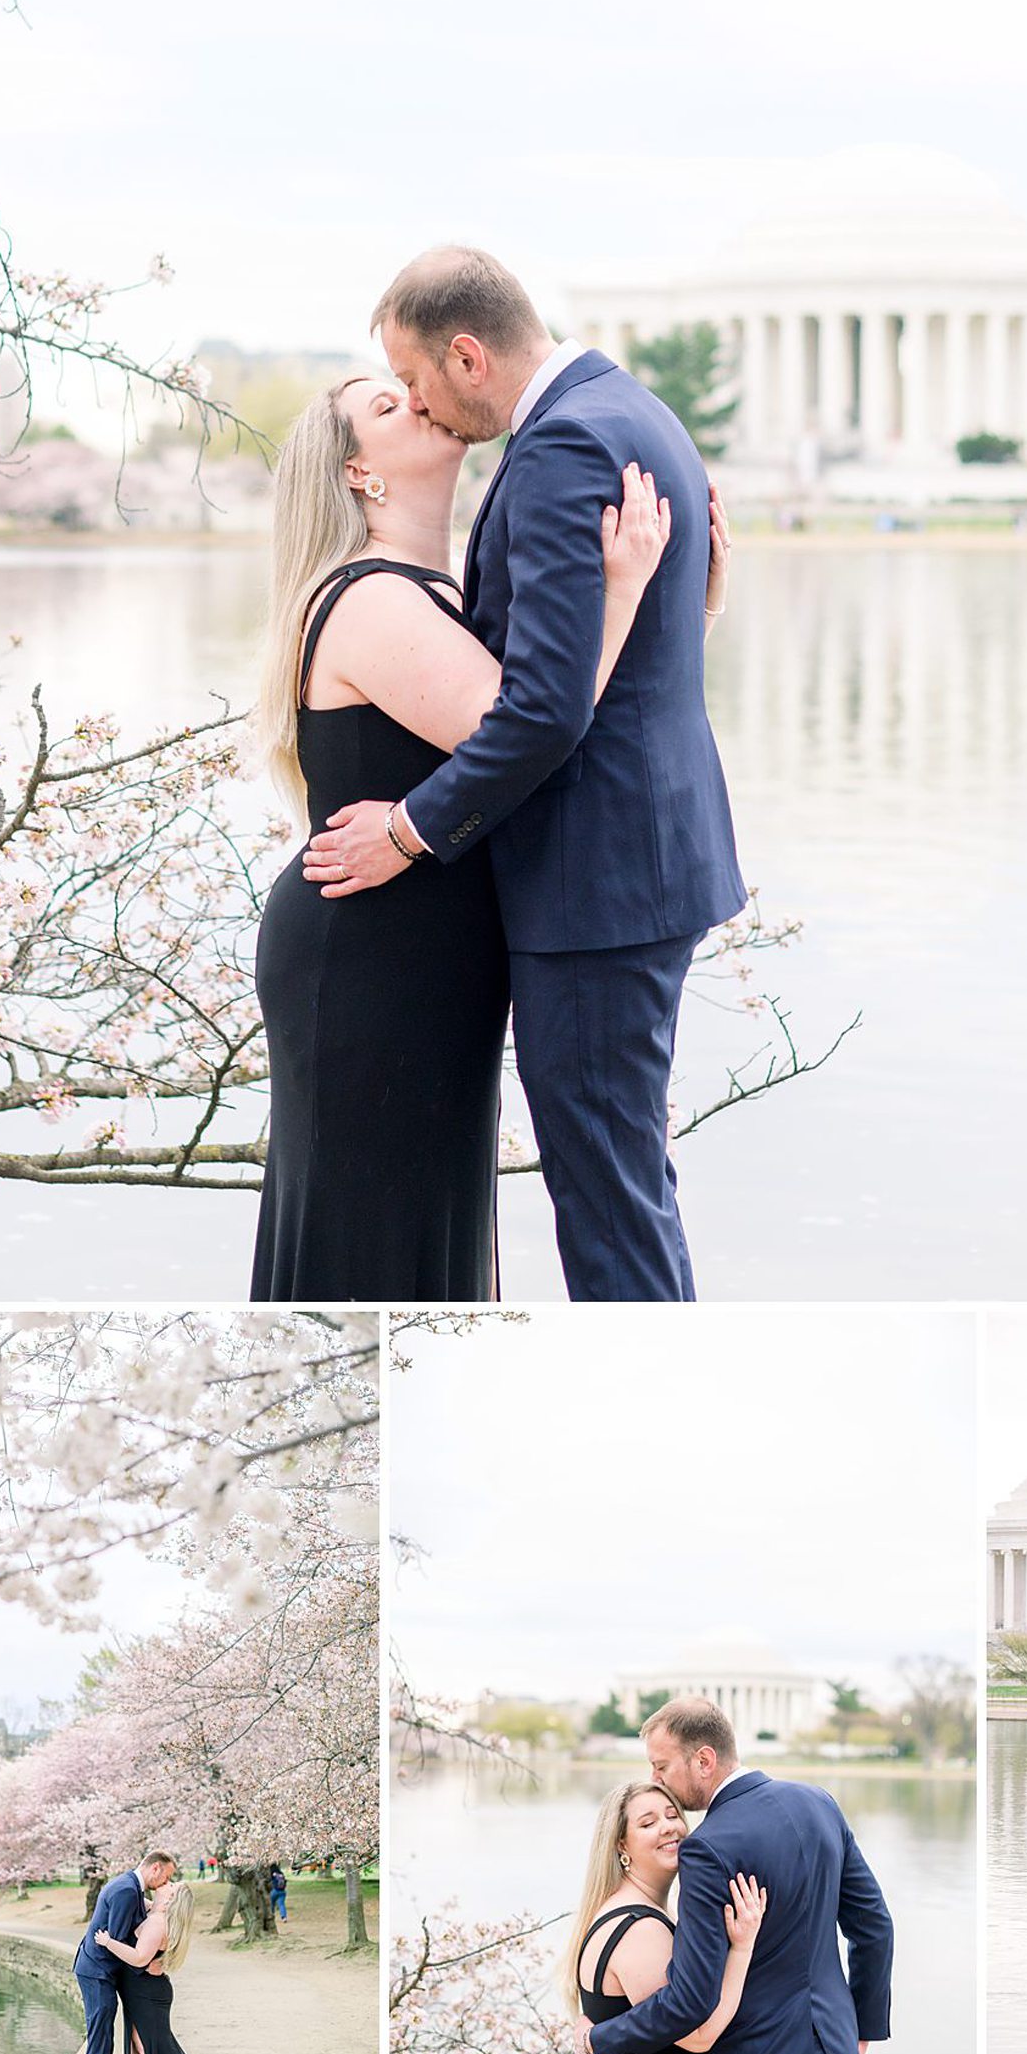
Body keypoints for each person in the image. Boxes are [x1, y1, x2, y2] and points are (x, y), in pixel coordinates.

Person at [305, 248, 746, 1301]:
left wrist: (409, 831)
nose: (417, 403)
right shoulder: (634, 412)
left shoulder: (559, 452)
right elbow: (609, 668)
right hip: (639, 865)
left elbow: (540, 710)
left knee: (608, 1203)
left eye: (414, 379)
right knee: (624, 1184)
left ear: (467, 355)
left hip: (594, 884)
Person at [574, 1698, 893, 2054]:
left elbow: (690, 1999)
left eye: (661, 1767)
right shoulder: (819, 1803)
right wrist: (861, 2031)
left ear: (703, 1760)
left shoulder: (708, 1846)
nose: (658, 1780)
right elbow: (873, 1926)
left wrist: (603, 2041)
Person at [546, 1780, 767, 2054]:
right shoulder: (641, 1927)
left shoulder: (637, 1910)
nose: (668, 1827)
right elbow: (698, 2035)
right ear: (621, 1847)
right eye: (648, 1823)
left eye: (672, 1816)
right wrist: (742, 1947)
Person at [98, 1879, 233, 2054]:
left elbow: (139, 1958)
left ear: (171, 1899)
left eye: (171, 1885)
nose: (166, 1883)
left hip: (147, 1994)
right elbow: (137, 1899)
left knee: (160, 2050)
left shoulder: (158, 1924)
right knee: (145, 2046)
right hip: (144, 1992)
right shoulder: (155, 1912)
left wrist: (108, 1943)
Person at [76, 1850, 174, 2054]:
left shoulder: (130, 1889)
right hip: (97, 1973)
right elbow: (117, 1939)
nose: (165, 1882)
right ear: (155, 1868)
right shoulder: (126, 1891)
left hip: (101, 1971)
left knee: (105, 2041)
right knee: (100, 2043)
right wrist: (144, 1966)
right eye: (166, 1876)